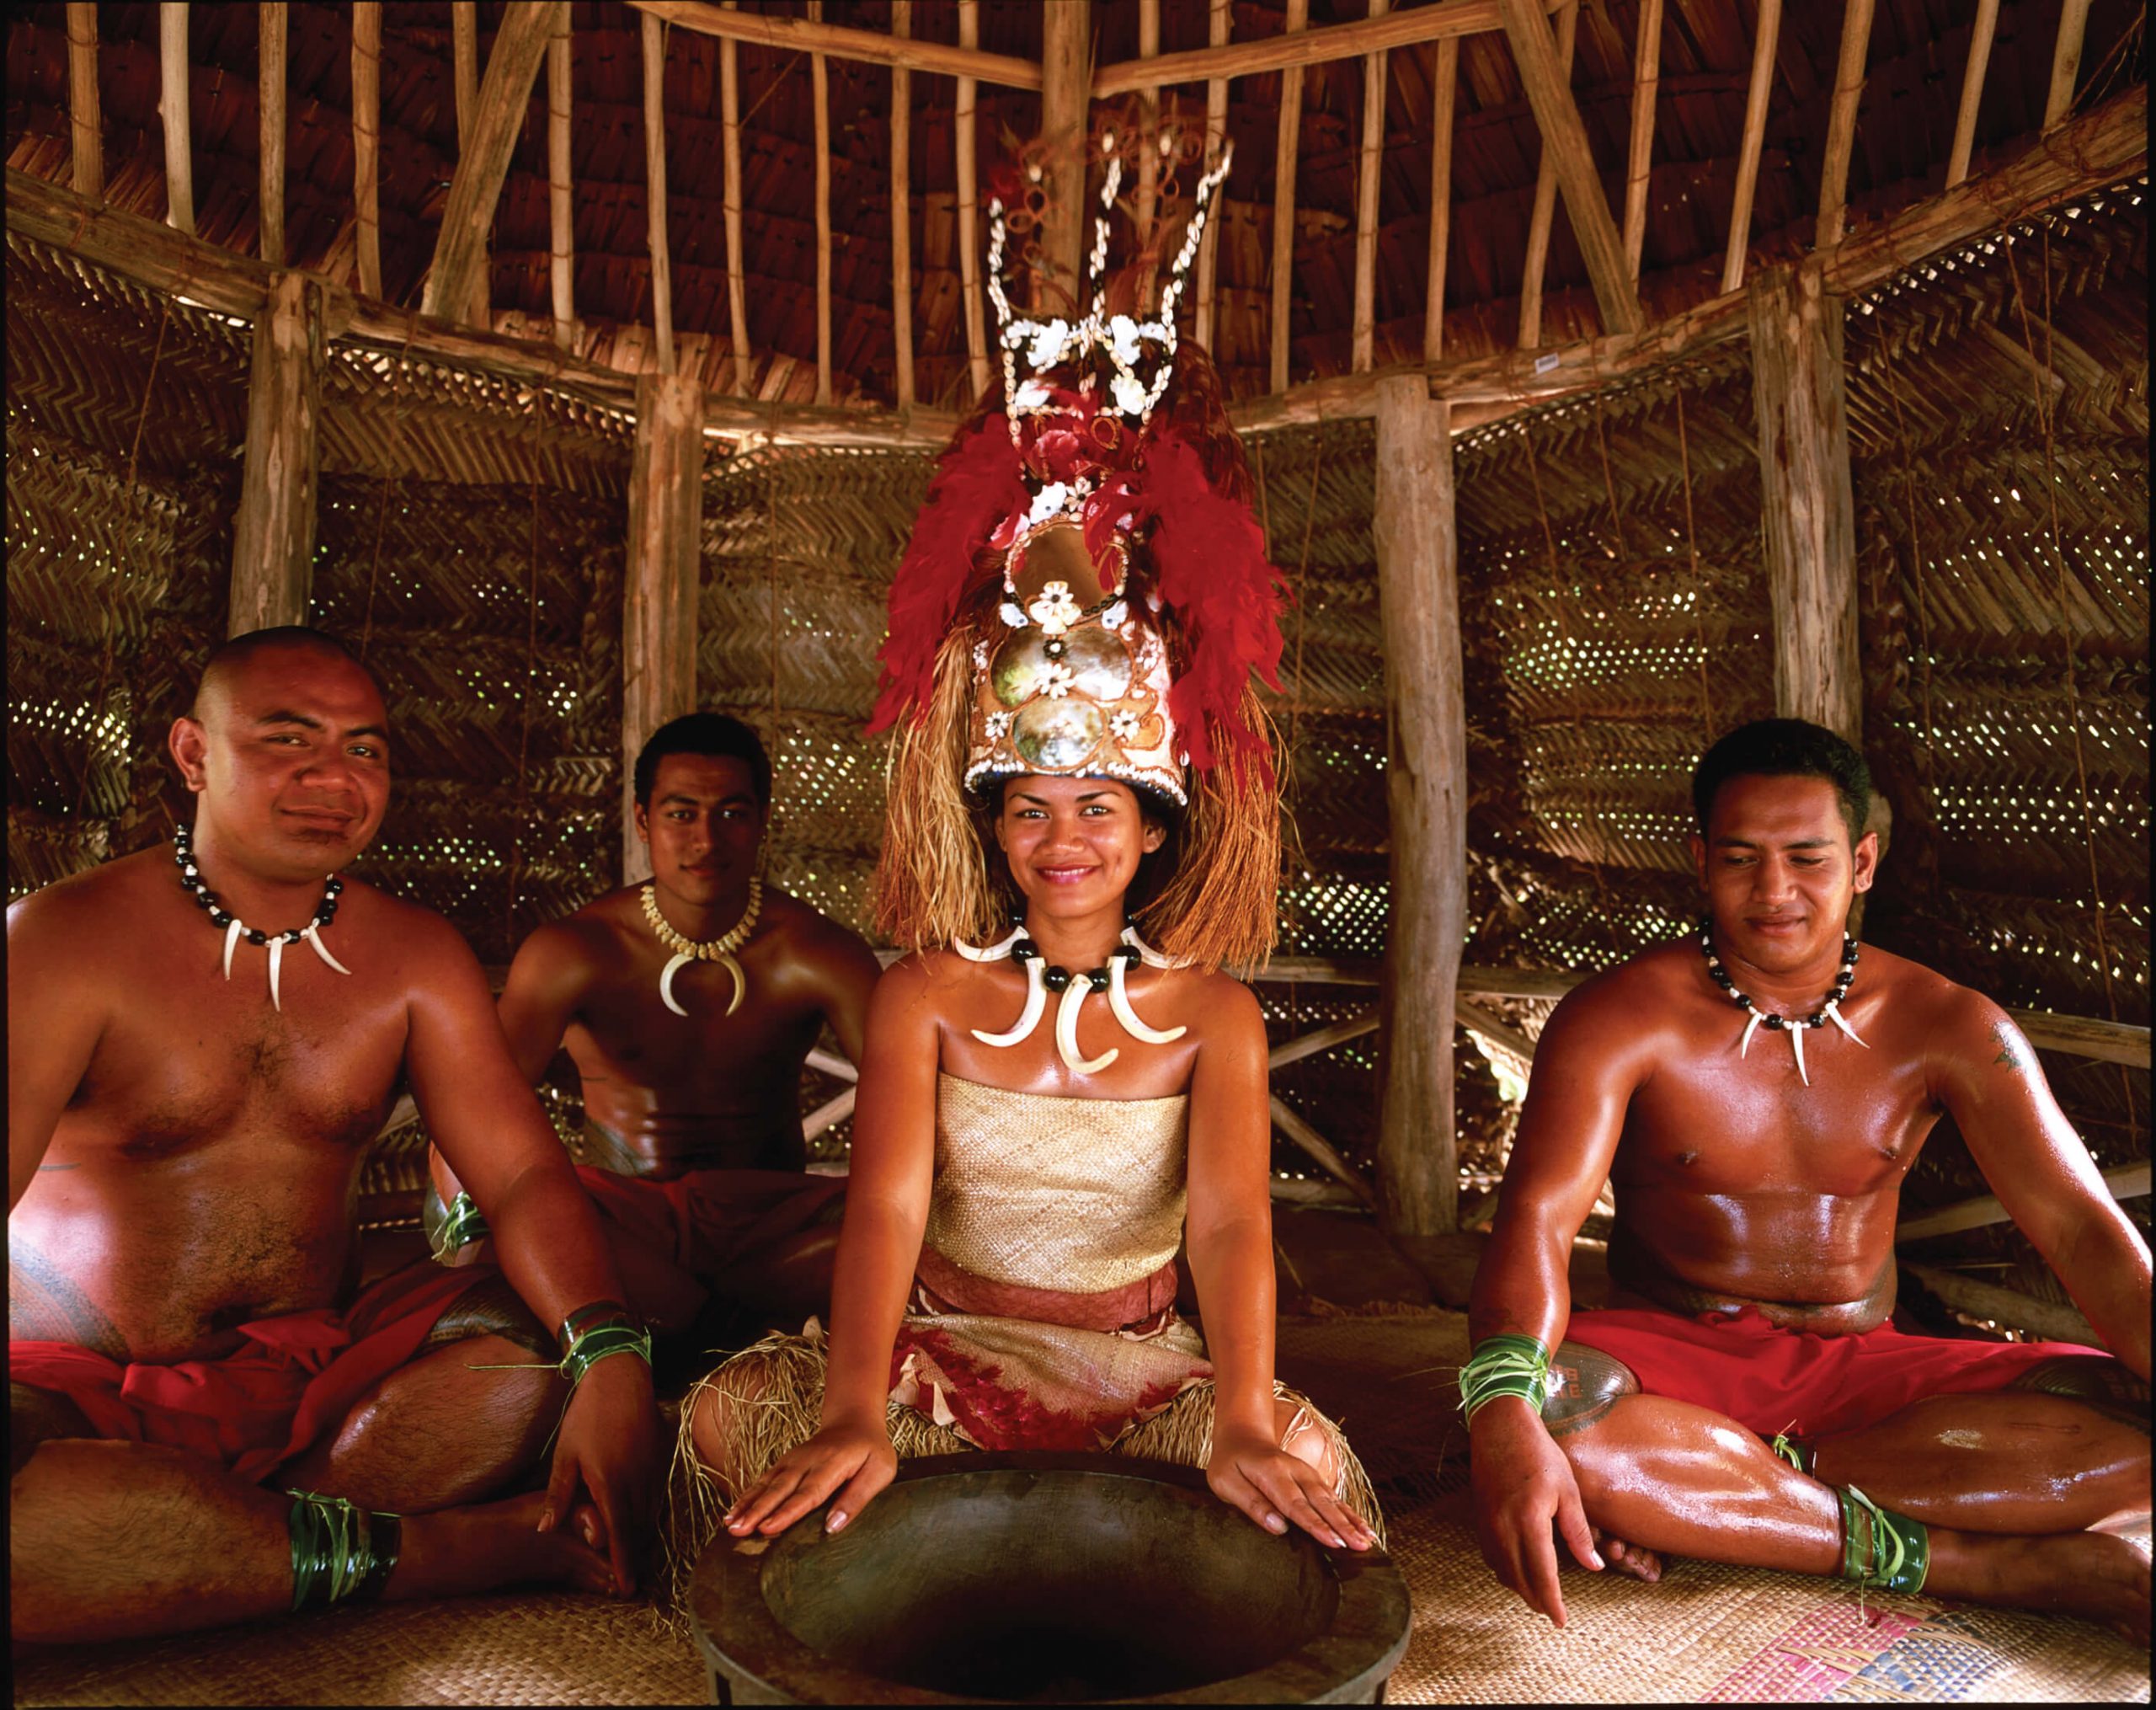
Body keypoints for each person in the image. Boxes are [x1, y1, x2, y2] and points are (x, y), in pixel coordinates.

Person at [666, 142, 1384, 1586]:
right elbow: (885, 1208)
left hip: (1143, 1370)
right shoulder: (924, 995)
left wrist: (1239, 1413)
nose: (1066, 841)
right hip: (939, 1353)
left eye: (1099, 810)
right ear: (990, 826)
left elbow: (1236, 1223)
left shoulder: (1213, 1018)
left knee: (1301, 1478)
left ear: (1157, 827)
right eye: (1033, 809)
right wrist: (861, 1405)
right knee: (736, 1417)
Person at [9, 627, 660, 1643]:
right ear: (193, 754)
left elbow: (524, 1172)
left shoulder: (411, 956)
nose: (334, 776)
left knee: (528, 1360)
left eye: (364, 748)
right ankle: (431, 1553)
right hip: (70, 1390)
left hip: (318, 1393)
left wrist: (612, 1356)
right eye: (288, 739)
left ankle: (236, 1547)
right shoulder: (63, 939)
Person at [1465, 717, 2150, 1640]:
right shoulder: (1619, 1017)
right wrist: (1504, 1411)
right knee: (1546, 1418)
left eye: (1808, 857)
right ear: (1701, 858)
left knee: (2134, 1423)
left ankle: (1738, 1496)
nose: (1774, 889)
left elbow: (2077, 1225)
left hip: (1874, 1369)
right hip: (1674, 1360)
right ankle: (1976, 1560)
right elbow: (1539, 1224)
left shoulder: (1948, 1021)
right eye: (1742, 857)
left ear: (1861, 861)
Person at [423, 713, 880, 1335]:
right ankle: (724, 1329)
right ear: (643, 819)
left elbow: (907, 1106)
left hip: (772, 1225)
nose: (706, 841)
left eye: (732, 814)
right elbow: (471, 1107)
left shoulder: (819, 955)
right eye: (681, 813)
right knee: (529, 1229)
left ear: (761, 821)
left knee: (905, 1238)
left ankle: (693, 1325)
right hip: (618, 1220)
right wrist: (467, 1229)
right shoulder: (576, 951)